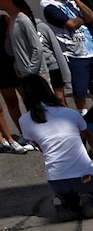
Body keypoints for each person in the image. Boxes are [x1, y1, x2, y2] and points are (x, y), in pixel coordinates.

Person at [17, 74, 93, 218]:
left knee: (68, 197)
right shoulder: (70, 113)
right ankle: (87, 199)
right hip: (85, 174)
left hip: (57, 178)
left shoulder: (24, 120)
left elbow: (40, 146)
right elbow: (89, 136)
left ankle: (66, 203)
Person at [40, 0, 93, 111]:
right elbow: (71, 24)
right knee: (80, 92)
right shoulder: (48, 4)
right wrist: (83, 19)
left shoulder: (72, 2)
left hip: (90, 50)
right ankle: (83, 115)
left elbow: (91, 17)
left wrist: (78, 1)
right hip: (73, 55)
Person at [0, 13, 35, 152]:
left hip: (14, 63)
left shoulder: (4, 19)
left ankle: (36, 130)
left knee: (28, 98)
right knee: (11, 102)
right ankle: (23, 133)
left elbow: (16, 40)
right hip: (1, 69)